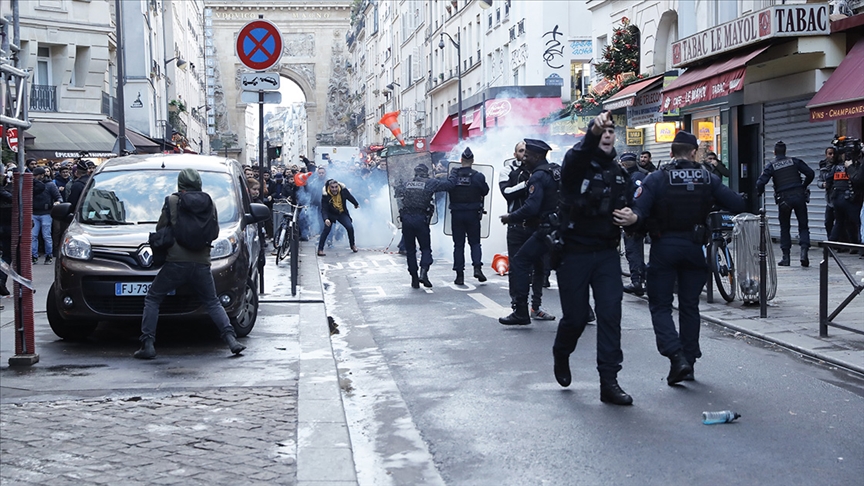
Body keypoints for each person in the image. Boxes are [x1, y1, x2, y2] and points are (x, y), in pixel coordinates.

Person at [620, 130, 745, 385]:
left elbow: (639, 211)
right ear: (694, 152)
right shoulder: (707, 178)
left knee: (660, 306)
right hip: (694, 248)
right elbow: (737, 204)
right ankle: (689, 360)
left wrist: (633, 220)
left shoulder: (657, 178)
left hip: (664, 247)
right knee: (689, 306)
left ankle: (676, 357)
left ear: (671, 152)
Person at [547, 112, 634, 405]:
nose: (607, 135)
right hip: (574, 252)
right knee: (576, 318)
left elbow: (636, 206)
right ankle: (562, 352)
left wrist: (634, 216)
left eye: (611, 131)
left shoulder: (620, 173)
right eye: (602, 131)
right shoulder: (576, 165)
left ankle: (609, 381)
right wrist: (591, 133)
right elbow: (578, 156)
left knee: (610, 314)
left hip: (607, 253)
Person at [134, 168, 245, 359]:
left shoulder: (172, 201)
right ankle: (231, 340)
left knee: (153, 298)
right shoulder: (209, 201)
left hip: (176, 261)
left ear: (180, 184)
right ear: (198, 183)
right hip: (202, 261)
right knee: (212, 301)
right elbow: (214, 232)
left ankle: (148, 344)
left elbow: (161, 228)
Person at [498, 138, 560, 325]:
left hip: (543, 228)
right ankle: (584, 310)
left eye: (527, 155)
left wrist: (511, 217)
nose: (524, 158)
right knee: (565, 266)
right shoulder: (555, 171)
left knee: (520, 262)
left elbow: (531, 207)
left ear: (537, 156)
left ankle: (522, 311)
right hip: (557, 227)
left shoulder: (538, 176)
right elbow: (507, 192)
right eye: (522, 153)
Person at [756, 141, 815, 266]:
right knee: (803, 226)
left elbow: (760, 182)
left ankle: (786, 257)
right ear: (785, 151)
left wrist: (759, 192)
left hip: (784, 199)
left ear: (774, 152)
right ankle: (804, 252)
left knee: (785, 227)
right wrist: (803, 185)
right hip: (799, 196)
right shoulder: (794, 161)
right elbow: (810, 173)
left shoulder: (772, 165)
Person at [397, 163, 454, 288]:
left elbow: (398, 193)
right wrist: (453, 173)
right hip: (421, 219)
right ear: (426, 173)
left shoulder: (407, 183)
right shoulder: (430, 183)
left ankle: (414, 278)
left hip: (406, 219)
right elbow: (449, 185)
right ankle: (423, 273)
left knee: (411, 251)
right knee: (426, 249)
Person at [447, 147, 489, 285]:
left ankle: (459, 275)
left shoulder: (454, 176)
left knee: (458, 245)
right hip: (472, 214)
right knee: (475, 243)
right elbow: (485, 191)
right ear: (472, 161)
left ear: (461, 160)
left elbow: (448, 188)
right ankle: (477, 268)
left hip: (457, 214)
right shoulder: (478, 176)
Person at [619, 153, 647, 296]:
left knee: (632, 250)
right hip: (646, 217)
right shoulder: (643, 175)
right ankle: (643, 277)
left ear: (624, 164)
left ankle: (636, 281)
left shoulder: (628, 178)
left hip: (633, 219)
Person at [317, 178, 359, 256]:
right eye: (332, 187)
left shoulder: (343, 190)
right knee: (326, 230)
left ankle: (352, 245)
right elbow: (324, 209)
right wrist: (326, 219)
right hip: (330, 214)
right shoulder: (325, 195)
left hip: (341, 212)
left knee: (349, 227)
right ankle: (320, 249)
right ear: (329, 187)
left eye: (336, 187)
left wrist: (356, 204)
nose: (334, 189)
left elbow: (349, 197)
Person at [31, 167, 62, 264]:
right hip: (36, 213)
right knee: (34, 236)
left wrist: (57, 203)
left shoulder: (50, 185)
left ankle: (48, 255)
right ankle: (34, 256)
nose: (34, 177)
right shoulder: (34, 184)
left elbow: (58, 197)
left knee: (46, 236)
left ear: (42, 175)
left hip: (46, 213)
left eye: (36, 175)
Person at [818, 147, 838, 237]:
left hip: (839, 198)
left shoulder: (839, 166)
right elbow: (819, 181)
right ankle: (830, 241)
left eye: (833, 153)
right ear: (826, 155)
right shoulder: (823, 167)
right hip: (829, 200)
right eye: (830, 154)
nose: (832, 156)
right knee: (828, 222)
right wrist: (823, 184)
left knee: (840, 223)